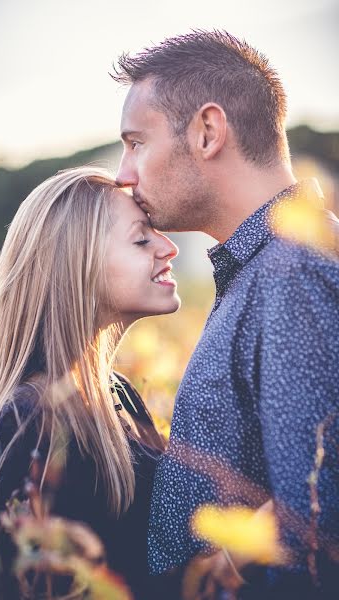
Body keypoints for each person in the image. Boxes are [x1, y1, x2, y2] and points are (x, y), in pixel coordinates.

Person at [112, 30, 339, 598]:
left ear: (207, 132)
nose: (123, 172)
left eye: (136, 142)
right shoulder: (269, 268)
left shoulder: (293, 275)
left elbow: (311, 531)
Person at [0, 166, 181, 599]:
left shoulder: (117, 392)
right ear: (76, 268)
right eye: (141, 239)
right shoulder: (26, 424)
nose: (169, 247)